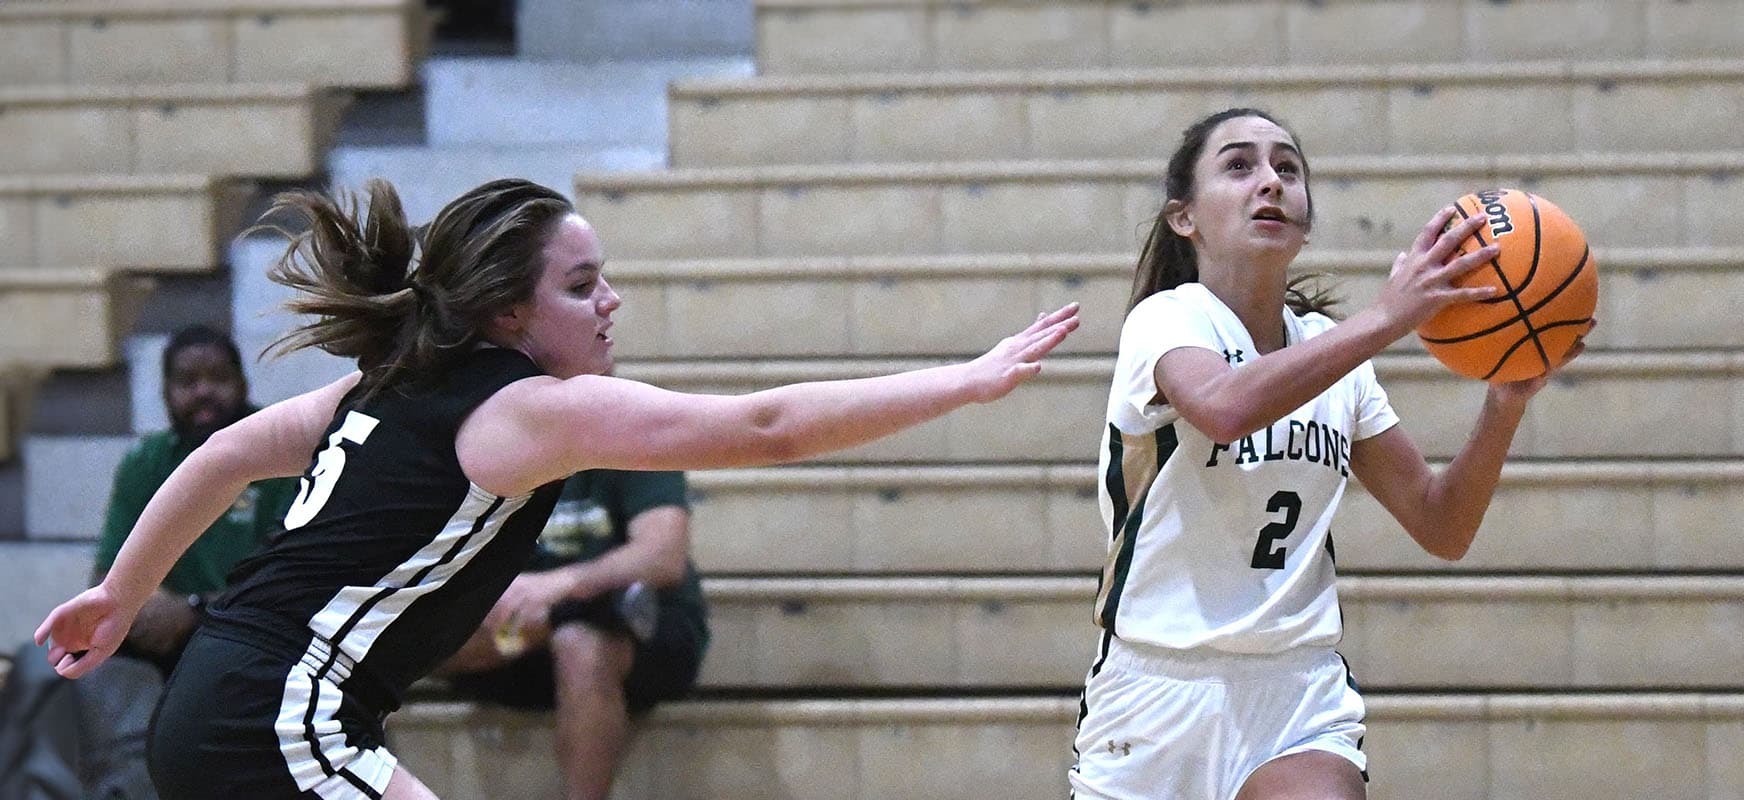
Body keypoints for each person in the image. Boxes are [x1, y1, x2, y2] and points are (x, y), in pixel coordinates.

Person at [35, 177, 1080, 800]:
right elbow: (767, 425)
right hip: (276, 717)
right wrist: (965, 379)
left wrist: (121, 596)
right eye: (582, 286)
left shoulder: (388, 381)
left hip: (215, 700)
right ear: (503, 314)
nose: (611, 300)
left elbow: (218, 459)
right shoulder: (531, 407)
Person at [1068, 108, 1592, 800]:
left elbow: (1443, 526)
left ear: (1306, 218)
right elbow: (1225, 408)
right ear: (1183, 219)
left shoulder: (1333, 353)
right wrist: (1384, 319)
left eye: (1288, 168)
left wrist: (1505, 404)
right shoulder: (1167, 320)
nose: (1270, 182)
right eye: (1239, 165)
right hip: (1155, 690)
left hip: (1295, 688)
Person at [80, 325, 301, 800]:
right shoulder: (147, 463)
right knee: (79, 660)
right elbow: (105, 579)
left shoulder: (284, 453)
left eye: (217, 377)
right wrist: (140, 604)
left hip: (253, 634)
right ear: (165, 394)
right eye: (187, 380)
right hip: (166, 636)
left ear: (242, 384)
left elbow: (290, 584)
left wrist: (194, 610)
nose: (203, 391)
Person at [435, 466, 706, 800]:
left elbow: (662, 557)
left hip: (639, 628)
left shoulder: (632, 438)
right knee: (417, 637)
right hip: (520, 631)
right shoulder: (495, 448)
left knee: (579, 641)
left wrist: (558, 587)